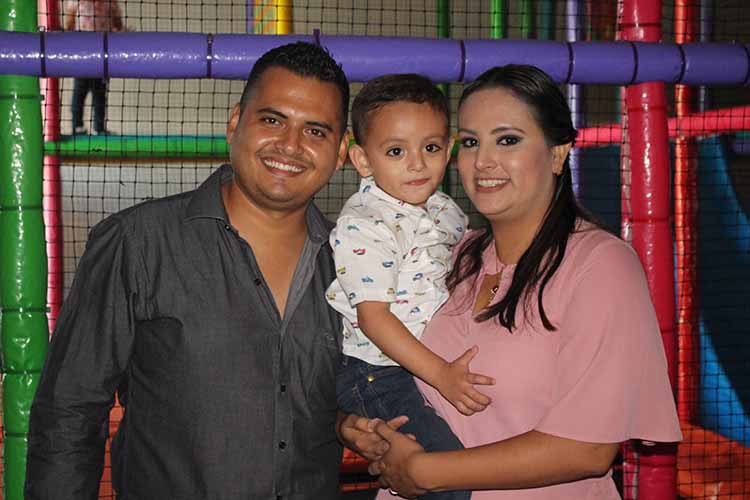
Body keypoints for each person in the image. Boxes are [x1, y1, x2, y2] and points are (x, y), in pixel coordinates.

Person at [25, 41, 385, 500]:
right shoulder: (137, 242)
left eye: (315, 131)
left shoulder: (358, 267)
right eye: (272, 120)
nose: (290, 145)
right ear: (235, 123)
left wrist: (351, 422)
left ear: (340, 153)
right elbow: (69, 412)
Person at [369, 65, 683, 499]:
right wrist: (361, 426)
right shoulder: (451, 254)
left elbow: (588, 448)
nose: (483, 161)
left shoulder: (600, 265)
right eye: (471, 142)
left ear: (557, 154)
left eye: (508, 140)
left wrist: (425, 471)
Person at [326, 74, 495, 500]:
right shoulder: (365, 224)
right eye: (396, 151)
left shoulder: (445, 210)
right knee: (444, 476)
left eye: (431, 148)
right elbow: (373, 318)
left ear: (449, 148)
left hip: (424, 361)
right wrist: (440, 375)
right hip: (378, 373)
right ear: (363, 160)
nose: (417, 164)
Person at [63, 0, 125, 135]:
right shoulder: (76, 2)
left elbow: (117, 24)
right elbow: (70, 23)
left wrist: (123, 33)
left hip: (102, 54)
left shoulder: (110, 2)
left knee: (100, 93)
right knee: (80, 91)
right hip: (82, 54)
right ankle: (77, 126)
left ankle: (99, 127)